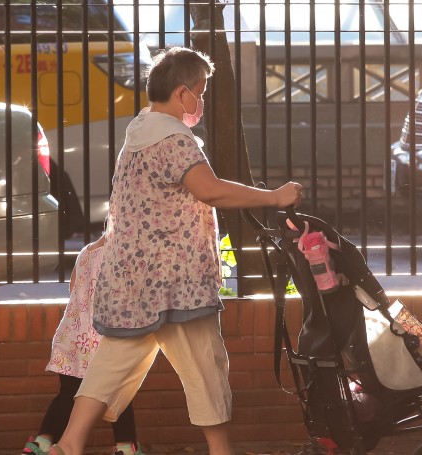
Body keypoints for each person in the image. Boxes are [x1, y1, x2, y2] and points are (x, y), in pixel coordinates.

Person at [48, 46, 303, 455]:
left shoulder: (139, 131)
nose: (200, 101)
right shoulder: (174, 138)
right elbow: (209, 189)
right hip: (176, 281)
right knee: (206, 370)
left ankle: (68, 445)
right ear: (183, 92)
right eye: (199, 91)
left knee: (110, 366)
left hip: (135, 283)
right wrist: (274, 197)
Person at [23, 241, 145, 455]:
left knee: (68, 394)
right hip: (101, 339)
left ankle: (42, 442)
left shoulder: (86, 252)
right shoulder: (123, 252)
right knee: (120, 393)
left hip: (73, 336)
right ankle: (126, 447)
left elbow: (73, 290)